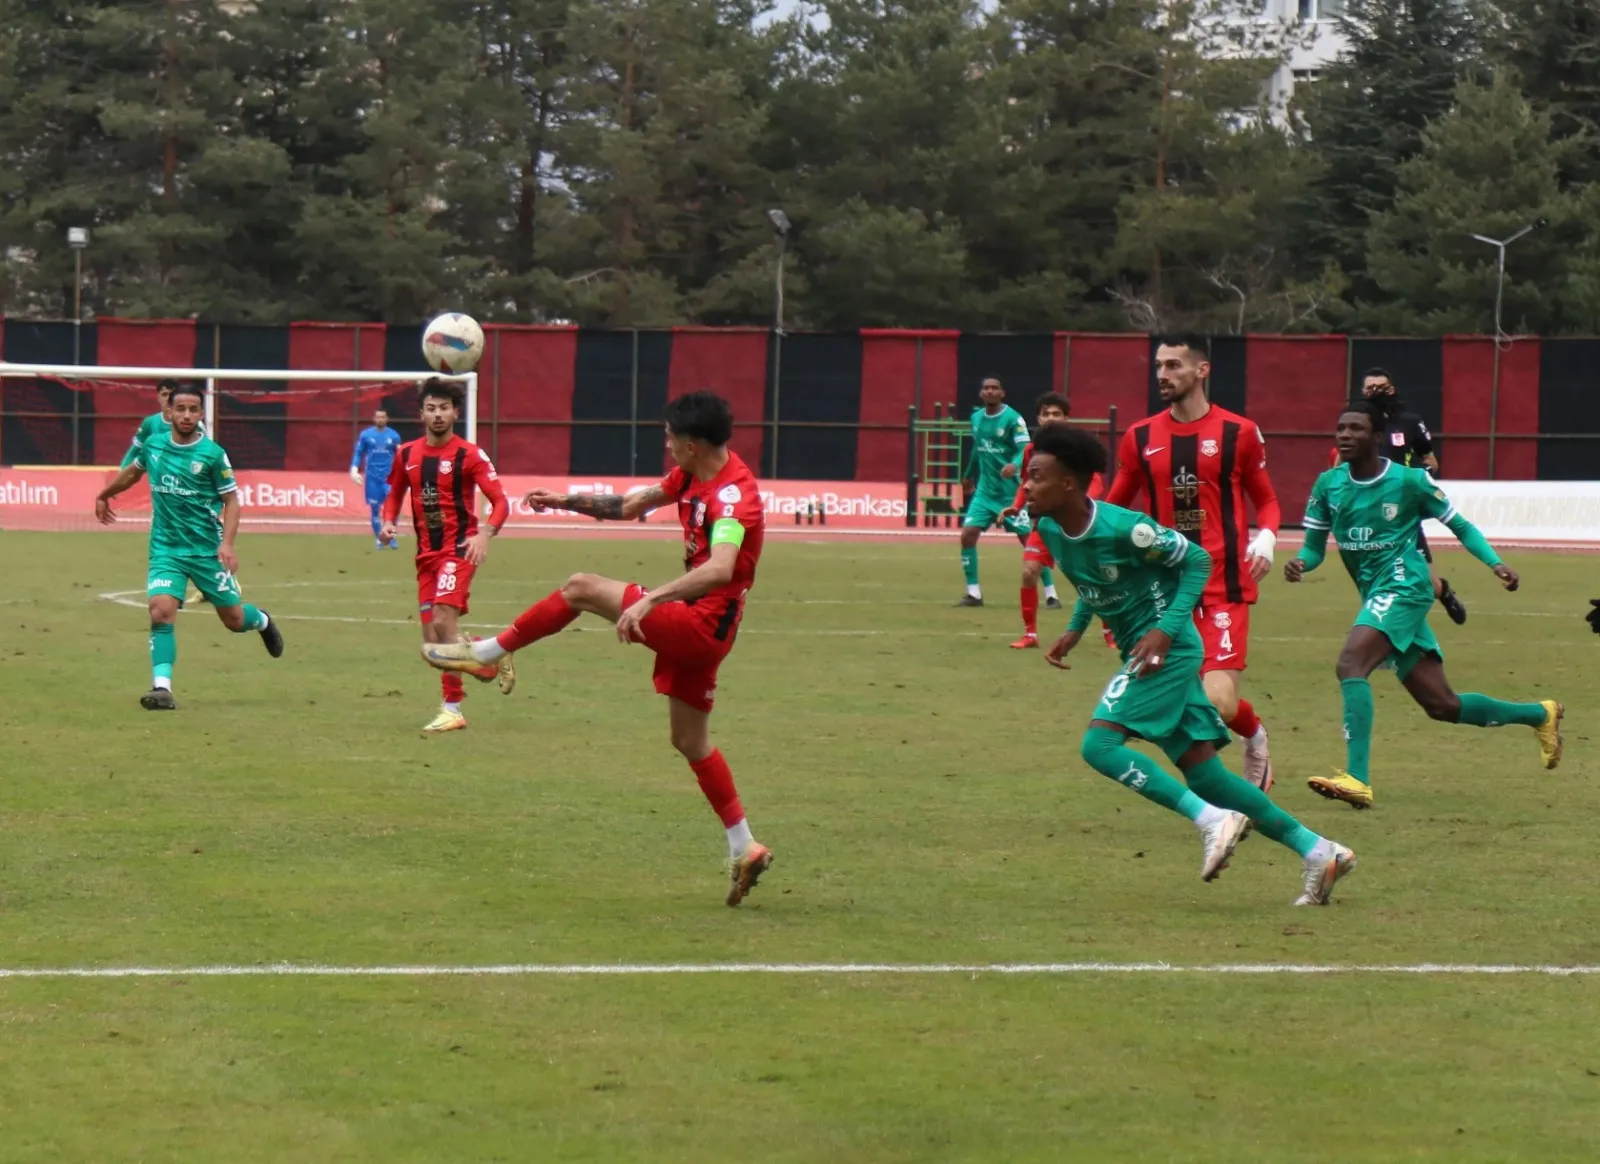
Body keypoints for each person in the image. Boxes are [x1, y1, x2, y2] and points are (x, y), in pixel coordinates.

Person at [420, 391, 774, 907]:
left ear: (694, 445)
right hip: (708, 631)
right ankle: (744, 845)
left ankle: (488, 653)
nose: (667, 444)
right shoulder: (694, 475)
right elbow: (632, 505)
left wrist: (651, 599)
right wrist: (563, 501)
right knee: (690, 740)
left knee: (581, 587)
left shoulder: (732, 497)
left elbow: (721, 567)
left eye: (672, 437)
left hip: (701, 625)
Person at [1028, 422, 1355, 905]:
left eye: (1036, 476)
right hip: (1146, 647)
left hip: (1170, 649)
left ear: (1068, 484)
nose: (1026, 486)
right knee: (1207, 776)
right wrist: (1076, 627)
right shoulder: (1052, 527)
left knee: (1099, 746)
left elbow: (1198, 561)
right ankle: (1320, 851)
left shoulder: (1127, 529)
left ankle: (1211, 821)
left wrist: (1164, 629)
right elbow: (1089, 580)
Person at [1287, 401, 1563, 810]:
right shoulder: (1328, 485)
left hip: (1406, 585)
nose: (1345, 435)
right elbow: (1313, 549)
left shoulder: (1410, 481)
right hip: (1377, 594)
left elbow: (1460, 526)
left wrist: (1495, 563)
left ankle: (1357, 779)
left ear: (1377, 437)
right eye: (1341, 428)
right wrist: (1299, 564)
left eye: (1356, 428)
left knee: (1351, 664)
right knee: (1442, 706)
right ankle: (1540, 715)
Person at [1102, 334, 1279, 791]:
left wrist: (1267, 538)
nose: (1163, 374)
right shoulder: (1139, 437)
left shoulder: (1239, 432)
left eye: (1174, 365)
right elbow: (1112, 513)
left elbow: (1268, 500)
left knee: (1217, 703)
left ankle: (1253, 735)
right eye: (1159, 366)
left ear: (1201, 371)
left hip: (1224, 583)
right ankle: (1221, 795)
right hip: (1163, 592)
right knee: (1179, 699)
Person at [93, 383, 283, 709]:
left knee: (235, 620)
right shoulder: (153, 446)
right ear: (168, 412)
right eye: (180, 408)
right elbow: (132, 474)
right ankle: (162, 688)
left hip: (207, 550)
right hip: (166, 548)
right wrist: (106, 494)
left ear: (201, 413)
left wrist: (228, 544)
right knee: (161, 611)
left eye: (193, 409)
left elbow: (232, 501)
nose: (186, 415)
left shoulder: (212, 454)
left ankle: (262, 621)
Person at [379, 378, 514, 735]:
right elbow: (393, 494)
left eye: (444, 408)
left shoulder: (469, 455)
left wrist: (485, 533)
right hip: (426, 556)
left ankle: (453, 709)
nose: (437, 415)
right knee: (434, 646)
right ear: (421, 413)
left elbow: (501, 502)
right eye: (431, 408)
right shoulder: (406, 454)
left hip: (460, 549)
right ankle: (488, 655)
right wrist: (387, 522)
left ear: (456, 412)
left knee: (442, 620)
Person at [1326, 369, 1467, 625]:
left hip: (1399, 512)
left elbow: (1431, 462)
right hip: (1364, 510)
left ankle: (1443, 591)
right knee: (1373, 579)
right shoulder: (1355, 423)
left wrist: (1413, 481)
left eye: (1381, 386)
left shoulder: (1409, 422)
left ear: (1392, 389)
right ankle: (1384, 640)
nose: (1376, 392)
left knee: (1425, 581)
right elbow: (1339, 467)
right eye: (1370, 388)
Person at [1000, 393, 1093, 649]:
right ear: (1038, 418)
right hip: (1045, 523)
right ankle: (1030, 634)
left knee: (1095, 578)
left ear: (1066, 418)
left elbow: (1094, 482)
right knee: (1029, 572)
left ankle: (1110, 632)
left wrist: (1087, 508)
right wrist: (1015, 506)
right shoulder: (1032, 450)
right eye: (1045, 413)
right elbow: (1026, 483)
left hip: (1077, 524)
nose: (1050, 418)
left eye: (1056, 413)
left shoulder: (1078, 448)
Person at [955, 377, 1031, 607]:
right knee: (968, 534)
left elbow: (1025, 447)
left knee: (1028, 540)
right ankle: (973, 593)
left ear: (1002, 393)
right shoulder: (976, 418)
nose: (989, 391)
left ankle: (1050, 593)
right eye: (986, 388)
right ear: (981, 393)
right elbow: (978, 451)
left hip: (1011, 492)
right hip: (985, 493)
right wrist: (968, 475)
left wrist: (1015, 465)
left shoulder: (1013, 418)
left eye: (994, 388)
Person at [351, 408, 402, 549]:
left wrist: (404, 474)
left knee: (392, 509)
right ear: (374, 419)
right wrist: (354, 468)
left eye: (383, 417)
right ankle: (380, 538)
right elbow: (359, 452)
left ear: (387, 419)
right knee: (375, 510)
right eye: (378, 417)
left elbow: (400, 456)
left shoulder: (394, 436)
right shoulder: (366, 435)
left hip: (389, 479)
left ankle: (390, 537)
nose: (380, 419)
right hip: (372, 479)